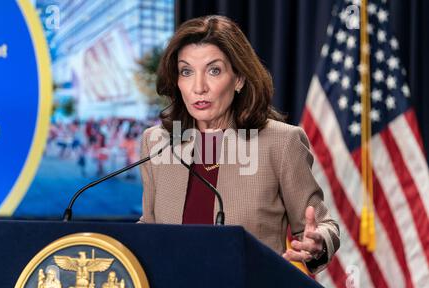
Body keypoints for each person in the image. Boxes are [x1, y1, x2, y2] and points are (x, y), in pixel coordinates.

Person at [138, 15, 340, 274]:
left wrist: (319, 243)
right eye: (186, 71)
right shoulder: (158, 142)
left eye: (214, 70)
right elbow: (150, 225)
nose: (198, 87)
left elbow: (323, 225)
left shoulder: (280, 142)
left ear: (239, 79)